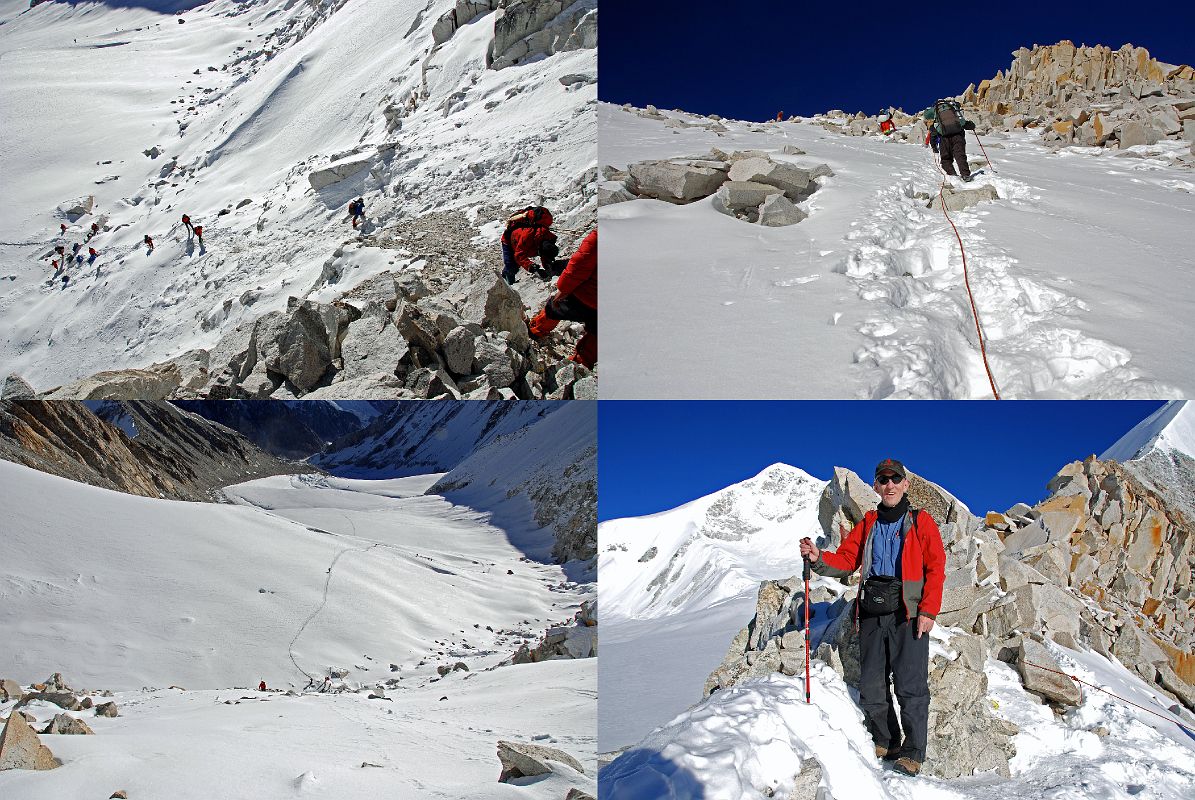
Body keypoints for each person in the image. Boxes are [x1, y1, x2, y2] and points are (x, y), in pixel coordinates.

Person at [798, 458, 945, 777]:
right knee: (872, 684)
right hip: (872, 611)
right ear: (876, 486)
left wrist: (929, 610)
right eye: (883, 480)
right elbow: (848, 560)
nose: (889, 485)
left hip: (908, 613)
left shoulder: (921, 522)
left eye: (895, 479)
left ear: (905, 485)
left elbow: (935, 567)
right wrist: (818, 557)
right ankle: (887, 740)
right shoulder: (868, 523)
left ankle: (913, 751)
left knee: (910, 684)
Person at [529, 229, 596, 368]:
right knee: (597, 332)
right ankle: (581, 365)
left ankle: (535, 331)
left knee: (554, 307)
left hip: (588, 295)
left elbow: (579, 266)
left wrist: (563, 289)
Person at [500, 206, 556, 285]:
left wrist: (546, 265)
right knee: (512, 265)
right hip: (509, 242)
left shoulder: (546, 236)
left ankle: (509, 277)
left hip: (523, 242)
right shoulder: (528, 235)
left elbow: (544, 251)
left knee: (514, 264)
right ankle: (508, 280)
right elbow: (519, 254)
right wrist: (531, 267)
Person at [924, 100, 976, 181]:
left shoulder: (935, 109)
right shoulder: (953, 107)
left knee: (946, 158)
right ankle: (966, 175)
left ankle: (952, 175)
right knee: (960, 155)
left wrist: (934, 147)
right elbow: (965, 123)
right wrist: (971, 126)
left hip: (944, 137)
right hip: (958, 135)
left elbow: (928, 120)